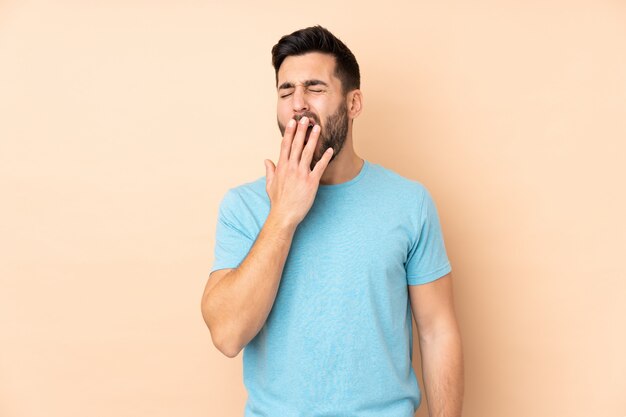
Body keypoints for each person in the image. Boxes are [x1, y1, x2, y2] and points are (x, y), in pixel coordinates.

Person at [201, 25, 464, 417]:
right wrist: (283, 215)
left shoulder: (409, 203)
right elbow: (226, 335)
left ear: (353, 103)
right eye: (286, 91)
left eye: (315, 88)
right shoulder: (244, 205)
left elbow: (437, 331)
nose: (298, 104)